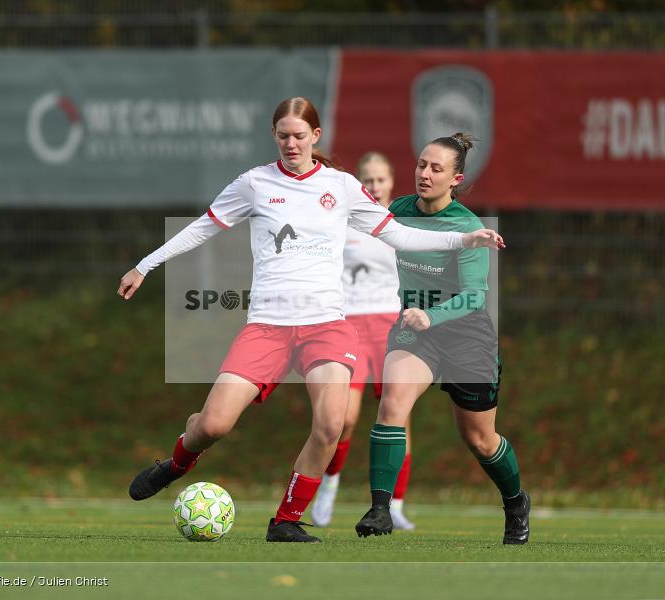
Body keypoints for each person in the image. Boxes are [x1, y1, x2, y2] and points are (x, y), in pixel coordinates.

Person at [118, 98, 506, 544]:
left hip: (326, 326)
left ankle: (286, 519)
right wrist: (145, 265)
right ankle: (176, 464)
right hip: (267, 325)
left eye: (299, 136)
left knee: (332, 423)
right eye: (283, 135)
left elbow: (396, 232)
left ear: (315, 138)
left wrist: (464, 237)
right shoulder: (254, 184)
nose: (291, 143)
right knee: (213, 426)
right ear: (274, 136)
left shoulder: (340, 187)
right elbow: (204, 226)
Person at [354, 133, 530, 545]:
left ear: (456, 178)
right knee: (392, 402)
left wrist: (430, 315)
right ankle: (381, 510)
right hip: (416, 332)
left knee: (480, 440)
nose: (424, 174)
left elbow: (474, 297)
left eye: (436, 169)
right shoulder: (397, 210)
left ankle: (516, 501)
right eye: (420, 165)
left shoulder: (469, 228)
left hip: (465, 336)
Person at [311, 152, 416, 531]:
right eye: (366, 180)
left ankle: (396, 504)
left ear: (391, 183)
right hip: (349, 327)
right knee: (344, 418)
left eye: (380, 180)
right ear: (358, 183)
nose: (373, 186)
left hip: (392, 328)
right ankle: (329, 485)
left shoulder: (399, 225)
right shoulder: (342, 222)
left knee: (397, 418)